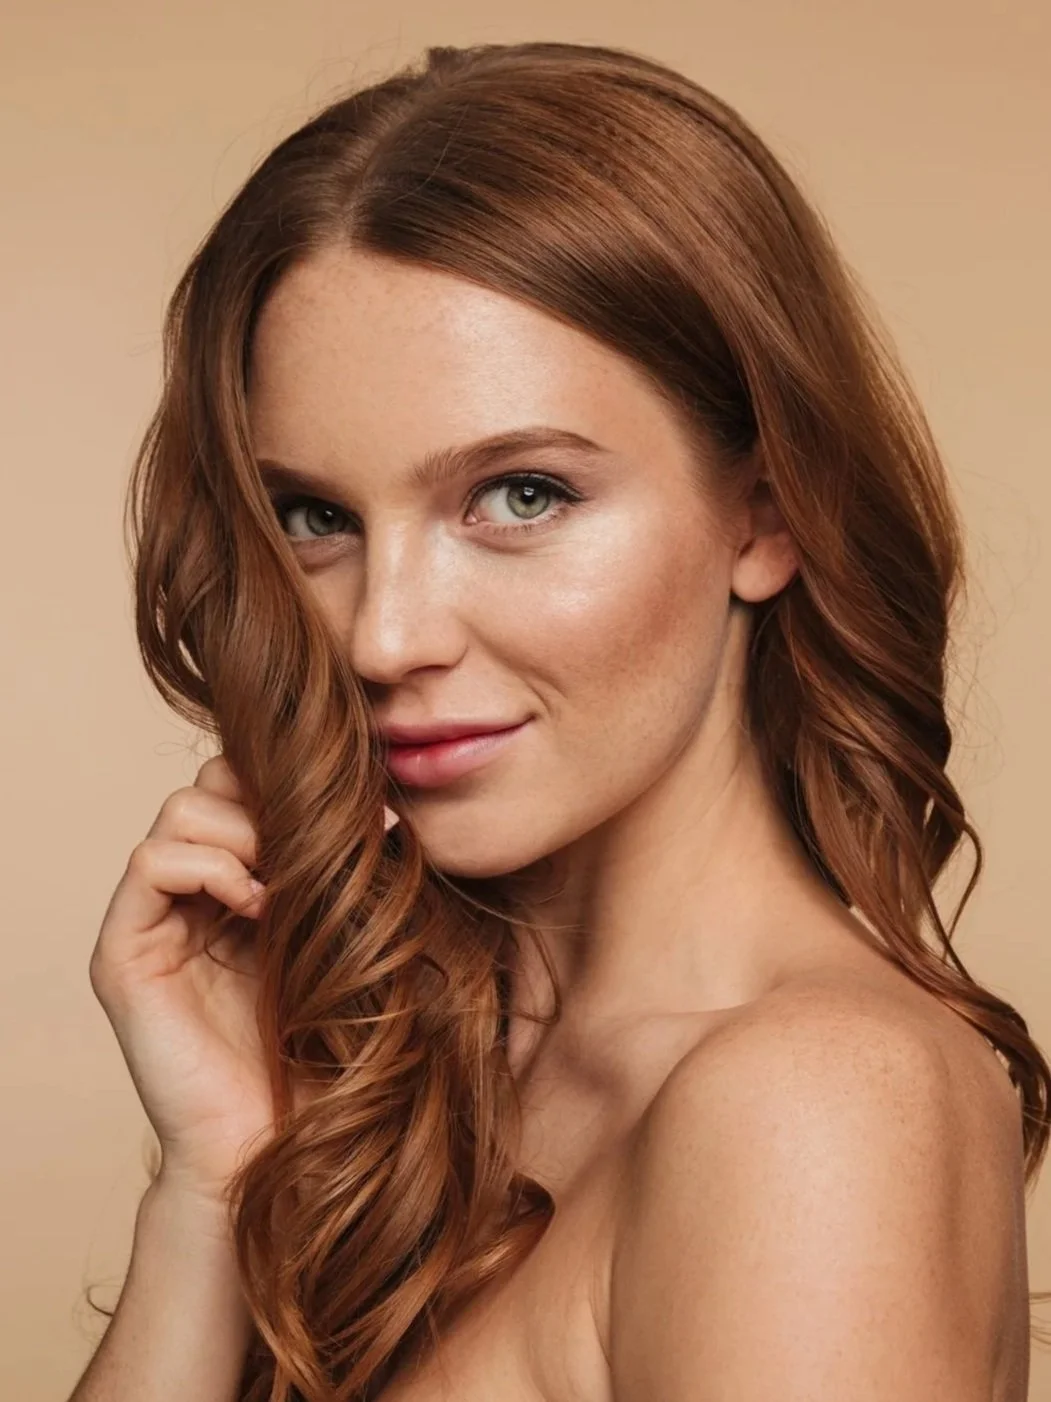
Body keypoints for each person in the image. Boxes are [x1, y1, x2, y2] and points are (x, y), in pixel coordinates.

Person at [70, 39, 1048, 1402]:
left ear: (766, 515)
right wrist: (213, 1182)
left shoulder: (814, 1103)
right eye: (315, 516)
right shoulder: (443, 1075)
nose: (382, 635)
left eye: (520, 496)